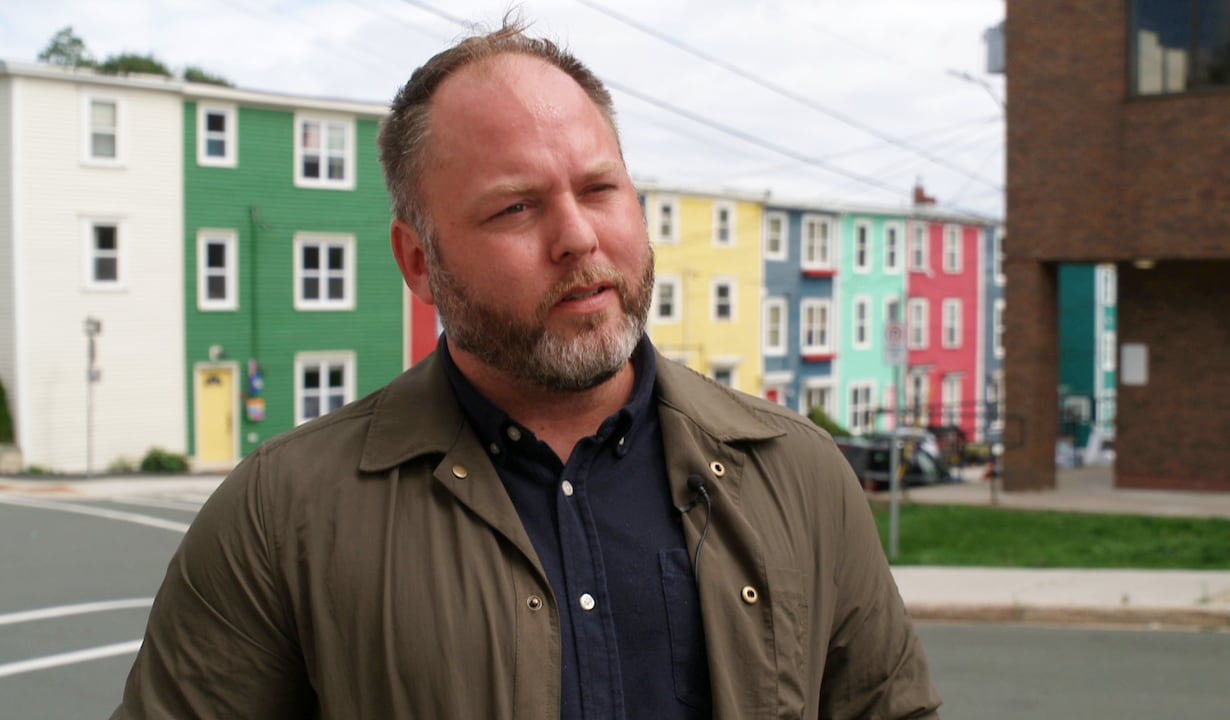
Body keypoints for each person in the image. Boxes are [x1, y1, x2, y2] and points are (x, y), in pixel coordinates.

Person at [112, 16, 940, 720]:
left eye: (600, 188)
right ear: (419, 263)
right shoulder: (282, 515)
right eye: (516, 206)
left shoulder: (798, 476)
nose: (578, 236)